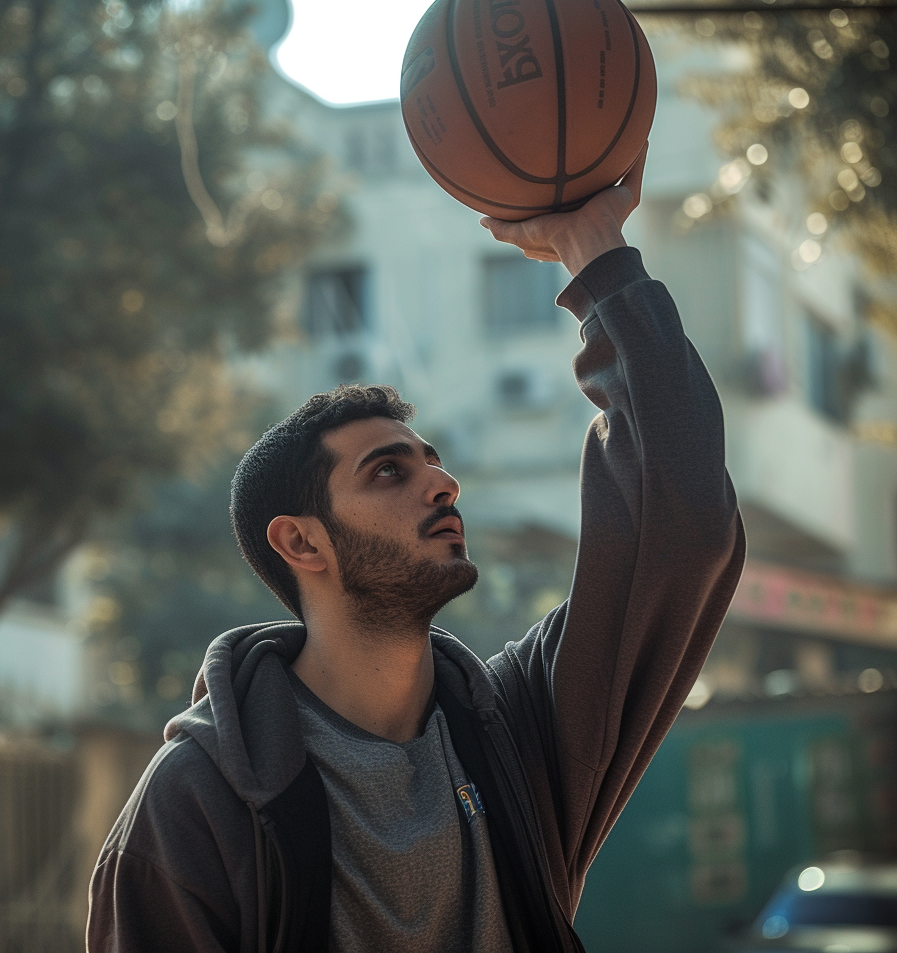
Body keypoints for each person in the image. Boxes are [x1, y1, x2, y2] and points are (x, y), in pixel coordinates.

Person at [87, 143, 745, 953]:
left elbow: (680, 523)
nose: (442, 484)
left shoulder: (521, 737)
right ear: (301, 542)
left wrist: (597, 253)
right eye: (389, 471)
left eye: (433, 461)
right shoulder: (193, 807)